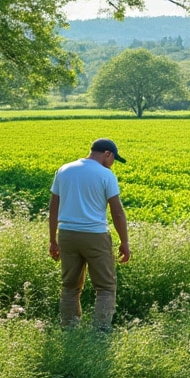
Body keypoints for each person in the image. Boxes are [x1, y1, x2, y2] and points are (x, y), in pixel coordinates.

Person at [49, 138, 131, 330]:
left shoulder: (64, 170)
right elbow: (117, 212)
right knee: (105, 287)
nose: (112, 163)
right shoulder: (106, 175)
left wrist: (53, 240)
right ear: (107, 154)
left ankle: (69, 329)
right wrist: (124, 242)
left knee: (70, 287)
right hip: (95, 235)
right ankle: (101, 332)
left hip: (67, 235)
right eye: (113, 159)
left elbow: (53, 208)